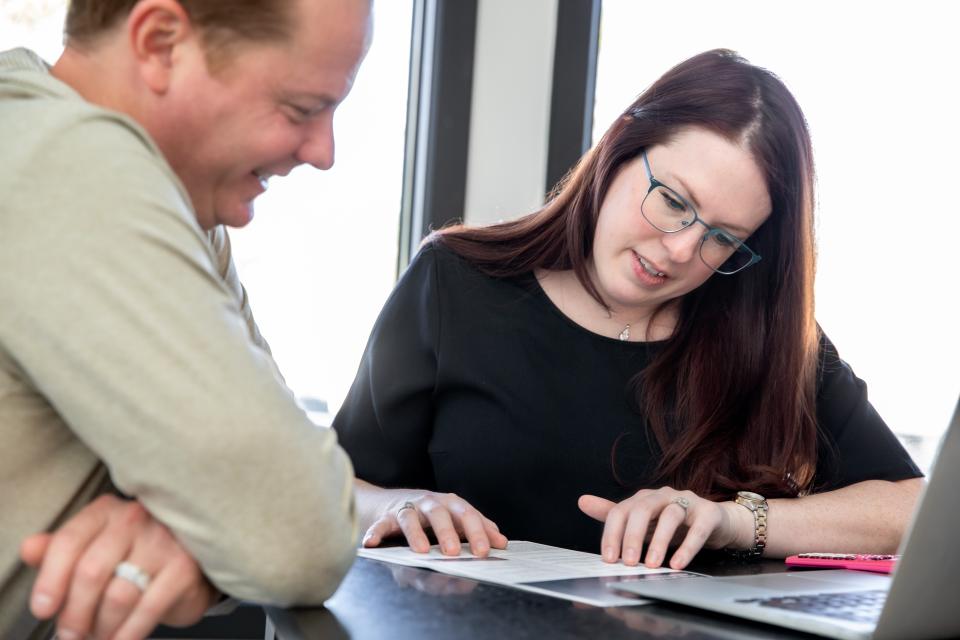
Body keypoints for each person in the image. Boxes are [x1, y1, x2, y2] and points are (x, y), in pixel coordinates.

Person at [333, 49, 924, 569]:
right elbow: (337, 485)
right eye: (672, 202)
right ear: (619, 147)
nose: (681, 249)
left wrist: (732, 522)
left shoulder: (764, 332)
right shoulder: (454, 281)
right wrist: (399, 505)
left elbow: (913, 505)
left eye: (723, 237)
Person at [0, 0, 371, 638]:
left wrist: (203, 540)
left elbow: (286, 481)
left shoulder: (188, 210)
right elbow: (298, 527)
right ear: (161, 42)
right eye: (303, 109)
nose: (324, 152)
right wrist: (227, 530)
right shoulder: (66, 159)